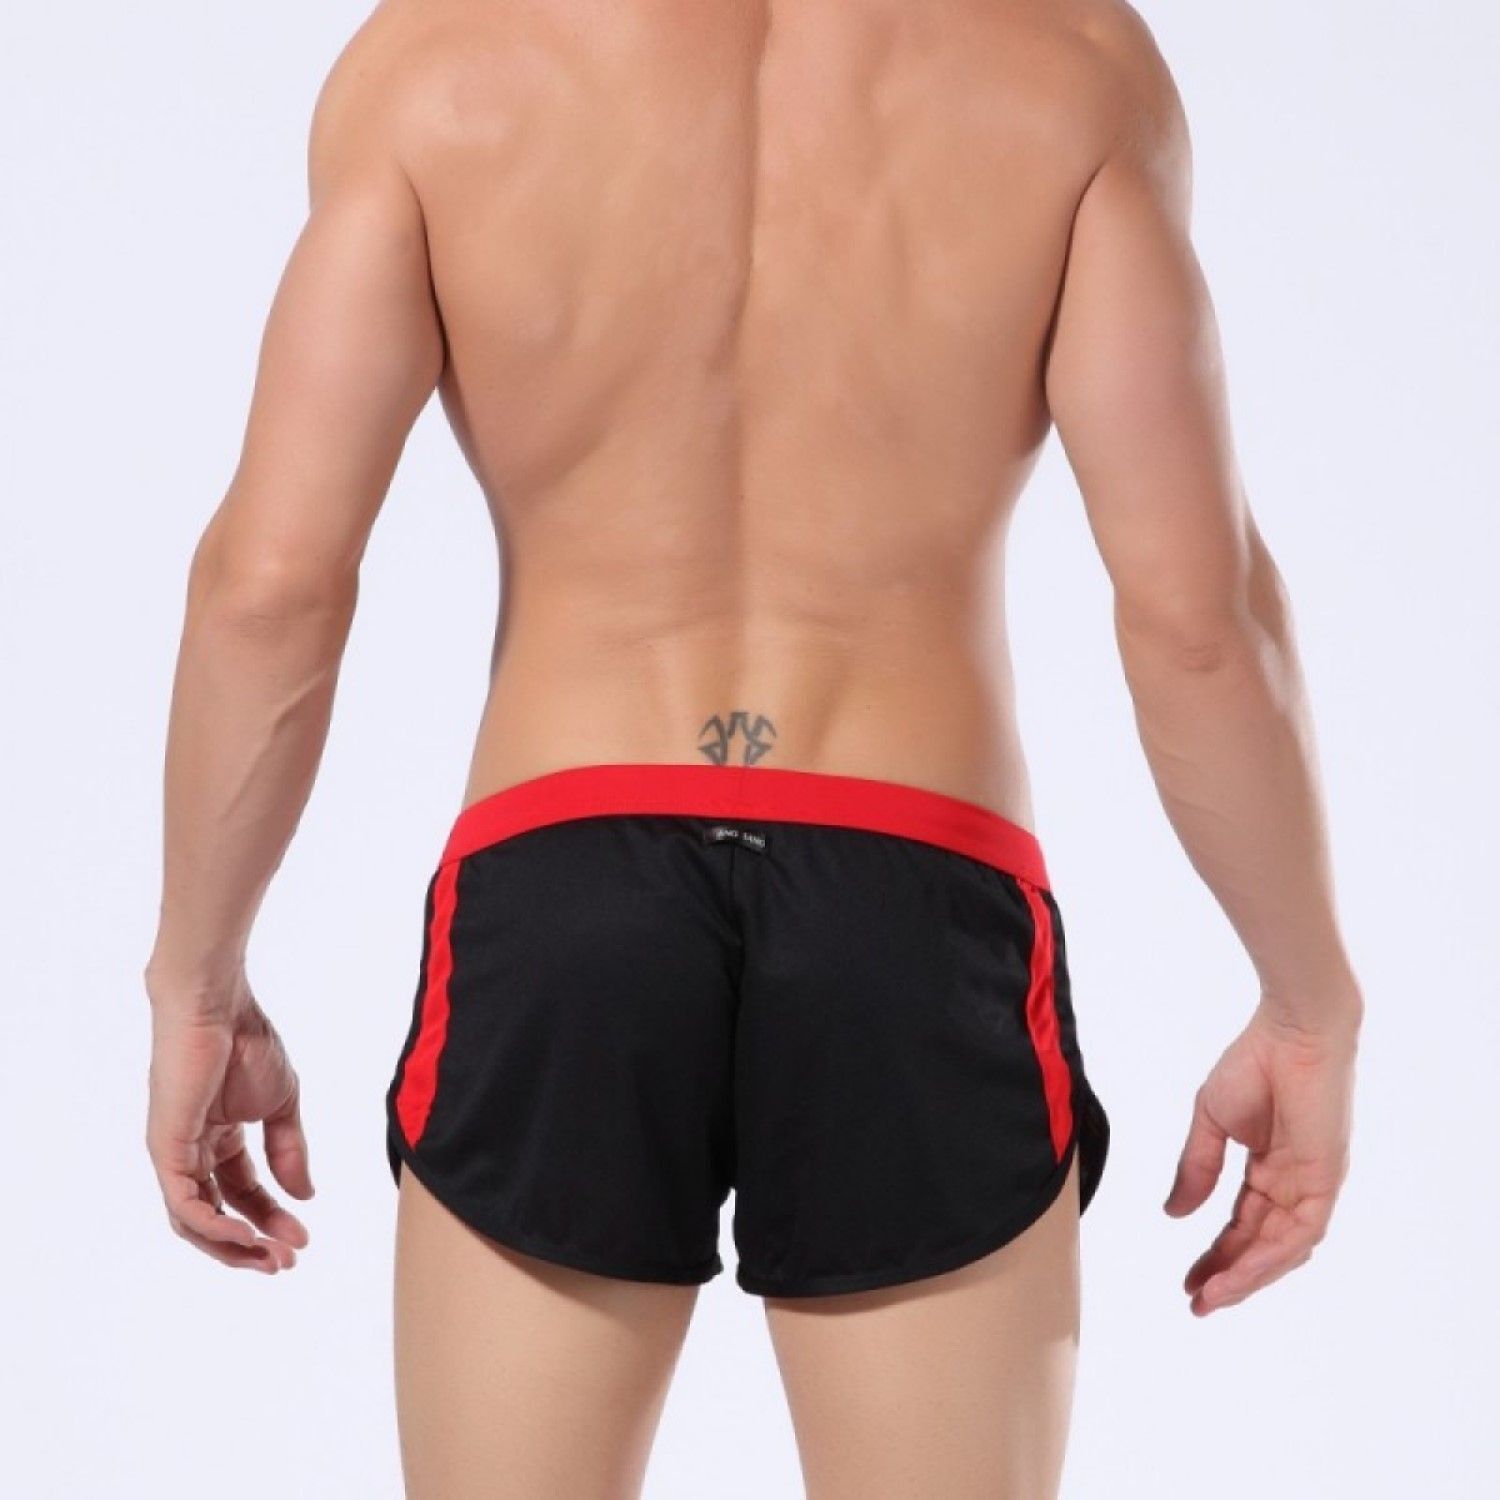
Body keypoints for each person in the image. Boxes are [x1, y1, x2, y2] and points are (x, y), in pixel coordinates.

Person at [142, 1, 1362, 1495]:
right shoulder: (1067, 62)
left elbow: (269, 587)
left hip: (565, 877)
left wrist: (199, 981)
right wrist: (1308, 1004)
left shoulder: (439, 60)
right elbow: (1197, 621)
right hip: (914, 881)